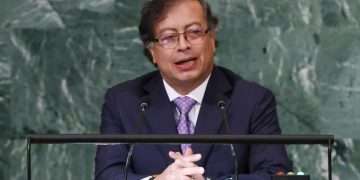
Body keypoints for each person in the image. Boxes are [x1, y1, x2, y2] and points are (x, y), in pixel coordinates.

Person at [95, 0, 291, 180]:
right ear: (152, 50)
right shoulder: (122, 101)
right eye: (169, 37)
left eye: (194, 32)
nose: (183, 45)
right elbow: (108, 174)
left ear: (212, 38)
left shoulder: (252, 100)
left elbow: (275, 174)